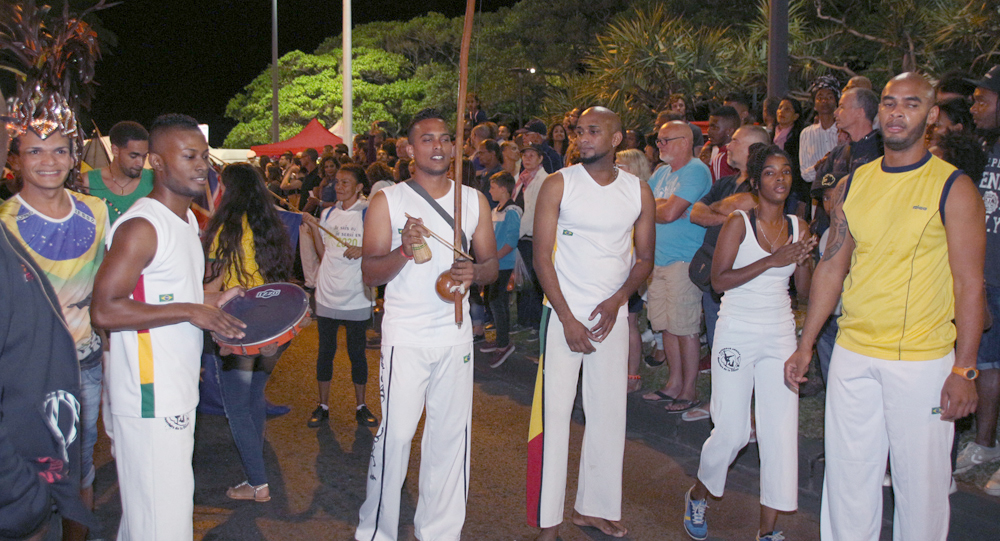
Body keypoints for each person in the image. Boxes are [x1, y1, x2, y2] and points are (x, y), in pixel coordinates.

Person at [785, 73, 985, 541]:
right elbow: (833, 267)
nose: (897, 113)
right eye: (890, 103)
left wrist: (966, 369)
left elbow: (969, 284)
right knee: (848, 482)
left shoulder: (953, 188)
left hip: (921, 361)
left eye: (911, 104)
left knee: (921, 491)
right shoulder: (856, 183)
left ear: (932, 116)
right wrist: (806, 343)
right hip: (854, 355)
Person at [91, 114, 247, 540]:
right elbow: (104, 309)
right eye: (189, 156)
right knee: (164, 524)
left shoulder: (188, 222)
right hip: (148, 395)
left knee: (148, 520)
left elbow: (172, 298)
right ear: (157, 163)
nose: (202, 165)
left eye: (203, 156)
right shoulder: (143, 226)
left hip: (173, 390)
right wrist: (190, 310)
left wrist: (215, 303)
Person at [355, 108, 498, 541]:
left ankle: (439, 531)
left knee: (450, 440)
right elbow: (370, 273)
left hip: (455, 337)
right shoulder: (390, 200)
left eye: (444, 139)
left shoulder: (473, 200)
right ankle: (376, 531)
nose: (438, 146)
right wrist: (402, 249)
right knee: (395, 438)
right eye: (427, 139)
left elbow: (491, 265)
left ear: (454, 147)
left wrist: (475, 273)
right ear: (410, 148)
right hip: (406, 338)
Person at [526, 106, 655, 541]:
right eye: (579, 131)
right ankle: (549, 521)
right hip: (563, 315)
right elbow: (541, 256)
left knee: (607, 415)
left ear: (617, 139)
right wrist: (566, 317)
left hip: (610, 319)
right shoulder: (560, 184)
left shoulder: (638, 191)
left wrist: (619, 301)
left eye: (593, 131)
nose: (582, 138)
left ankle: (594, 508)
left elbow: (645, 259)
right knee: (554, 419)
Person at [684, 144, 815, 541]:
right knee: (733, 431)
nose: (781, 179)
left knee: (779, 430)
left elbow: (805, 292)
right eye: (772, 173)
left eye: (787, 172)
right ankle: (698, 494)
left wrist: (806, 259)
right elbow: (719, 281)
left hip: (778, 333)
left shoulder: (799, 226)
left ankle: (767, 531)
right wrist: (772, 261)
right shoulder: (739, 222)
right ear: (756, 182)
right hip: (737, 330)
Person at [0, 124, 110, 541]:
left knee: (78, 462)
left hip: (84, 362)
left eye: (59, 151)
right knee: (27, 467)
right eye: (35, 152)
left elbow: (109, 284)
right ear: (16, 160)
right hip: (25, 370)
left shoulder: (96, 210)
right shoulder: (4, 222)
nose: (49, 162)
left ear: (73, 157)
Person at [203, 163, 295, 503]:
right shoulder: (271, 223)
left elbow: (215, 285)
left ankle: (257, 484)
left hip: (238, 329)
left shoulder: (225, 227)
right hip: (273, 327)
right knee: (253, 398)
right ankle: (255, 476)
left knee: (238, 408)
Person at [809, 86, 883, 382]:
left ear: (861, 112)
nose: (836, 112)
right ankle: (831, 381)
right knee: (827, 320)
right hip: (831, 246)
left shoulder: (882, 154)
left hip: (865, 253)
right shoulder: (838, 153)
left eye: (841, 106)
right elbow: (819, 197)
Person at [641, 121, 712, 413]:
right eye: (658, 141)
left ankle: (688, 389)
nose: (660, 146)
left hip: (683, 260)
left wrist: (660, 207)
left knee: (685, 328)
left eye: (666, 140)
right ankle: (673, 383)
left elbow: (669, 212)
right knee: (666, 326)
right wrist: (661, 206)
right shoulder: (660, 172)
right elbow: (641, 205)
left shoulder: (695, 171)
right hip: (658, 260)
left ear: (685, 141)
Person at [956, 65, 1000, 494]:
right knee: (985, 362)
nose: (975, 105)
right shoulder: (988, 147)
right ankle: (985, 446)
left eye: (983, 99)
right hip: (987, 277)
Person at [307, 163, 378, 429]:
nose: (338, 186)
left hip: (356, 294)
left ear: (359, 187)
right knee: (325, 351)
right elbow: (323, 252)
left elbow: (381, 246)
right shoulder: (327, 214)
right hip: (327, 292)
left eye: (345, 182)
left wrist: (363, 250)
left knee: (356, 353)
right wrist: (314, 228)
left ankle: (361, 406)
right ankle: (322, 405)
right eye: (337, 181)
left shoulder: (368, 213)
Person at [690, 126, 772, 353]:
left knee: (741, 344)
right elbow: (696, 213)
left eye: (735, 141)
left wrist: (719, 208)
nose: (728, 146)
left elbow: (744, 203)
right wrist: (728, 216)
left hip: (742, 277)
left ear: (753, 149)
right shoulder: (724, 183)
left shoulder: (765, 185)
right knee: (718, 338)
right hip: (712, 272)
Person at [614, 148, 653, 392]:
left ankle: (632, 375)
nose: (615, 168)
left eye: (621, 165)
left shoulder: (640, 196)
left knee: (629, 322)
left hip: (631, 270)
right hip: (611, 270)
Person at [482, 171, 521, 367]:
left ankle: (504, 344)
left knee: (497, 302)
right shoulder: (496, 210)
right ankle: (500, 339)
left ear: (504, 189)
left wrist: (494, 258)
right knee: (493, 301)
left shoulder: (512, 211)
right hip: (495, 262)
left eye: (493, 187)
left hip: (502, 264)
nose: (490, 191)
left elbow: (511, 241)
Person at [82, 121, 153, 223]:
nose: (140, 163)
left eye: (144, 156)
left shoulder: (155, 181)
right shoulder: (86, 183)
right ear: (115, 150)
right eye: (133, 156)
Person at [513, 144, 549, 331]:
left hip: (532, 235)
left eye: (532, 155)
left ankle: (536, 322)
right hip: (521, 235)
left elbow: (533, 212)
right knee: (522, 280)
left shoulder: (543, 180)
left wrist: (515, 234)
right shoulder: (522, 179)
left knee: (534, 281)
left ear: (540, 158)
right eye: (525, 155)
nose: (527, 159)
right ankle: (524, 319)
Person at [800, 76, 842, 185]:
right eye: (820, 97)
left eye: (829, 97)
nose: (824, 101)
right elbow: (805, 174)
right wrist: (819, 165)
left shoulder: (844, 131)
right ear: (814, 104)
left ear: (836, 102)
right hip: (816, 192)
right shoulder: (806, 133)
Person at [773, 97, 807, 215]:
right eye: (780, 108)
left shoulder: (800, 138)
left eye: (787, 109)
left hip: (793, 190)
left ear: (796, 116)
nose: (781, 111)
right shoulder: (771, 135)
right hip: (772, 187)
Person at [699, 106, 739, 183]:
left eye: (715, 128)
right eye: (709, 126)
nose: (709, 131)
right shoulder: (710, 147)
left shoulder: (722, 157)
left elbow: (719, 191)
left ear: (730, 131)